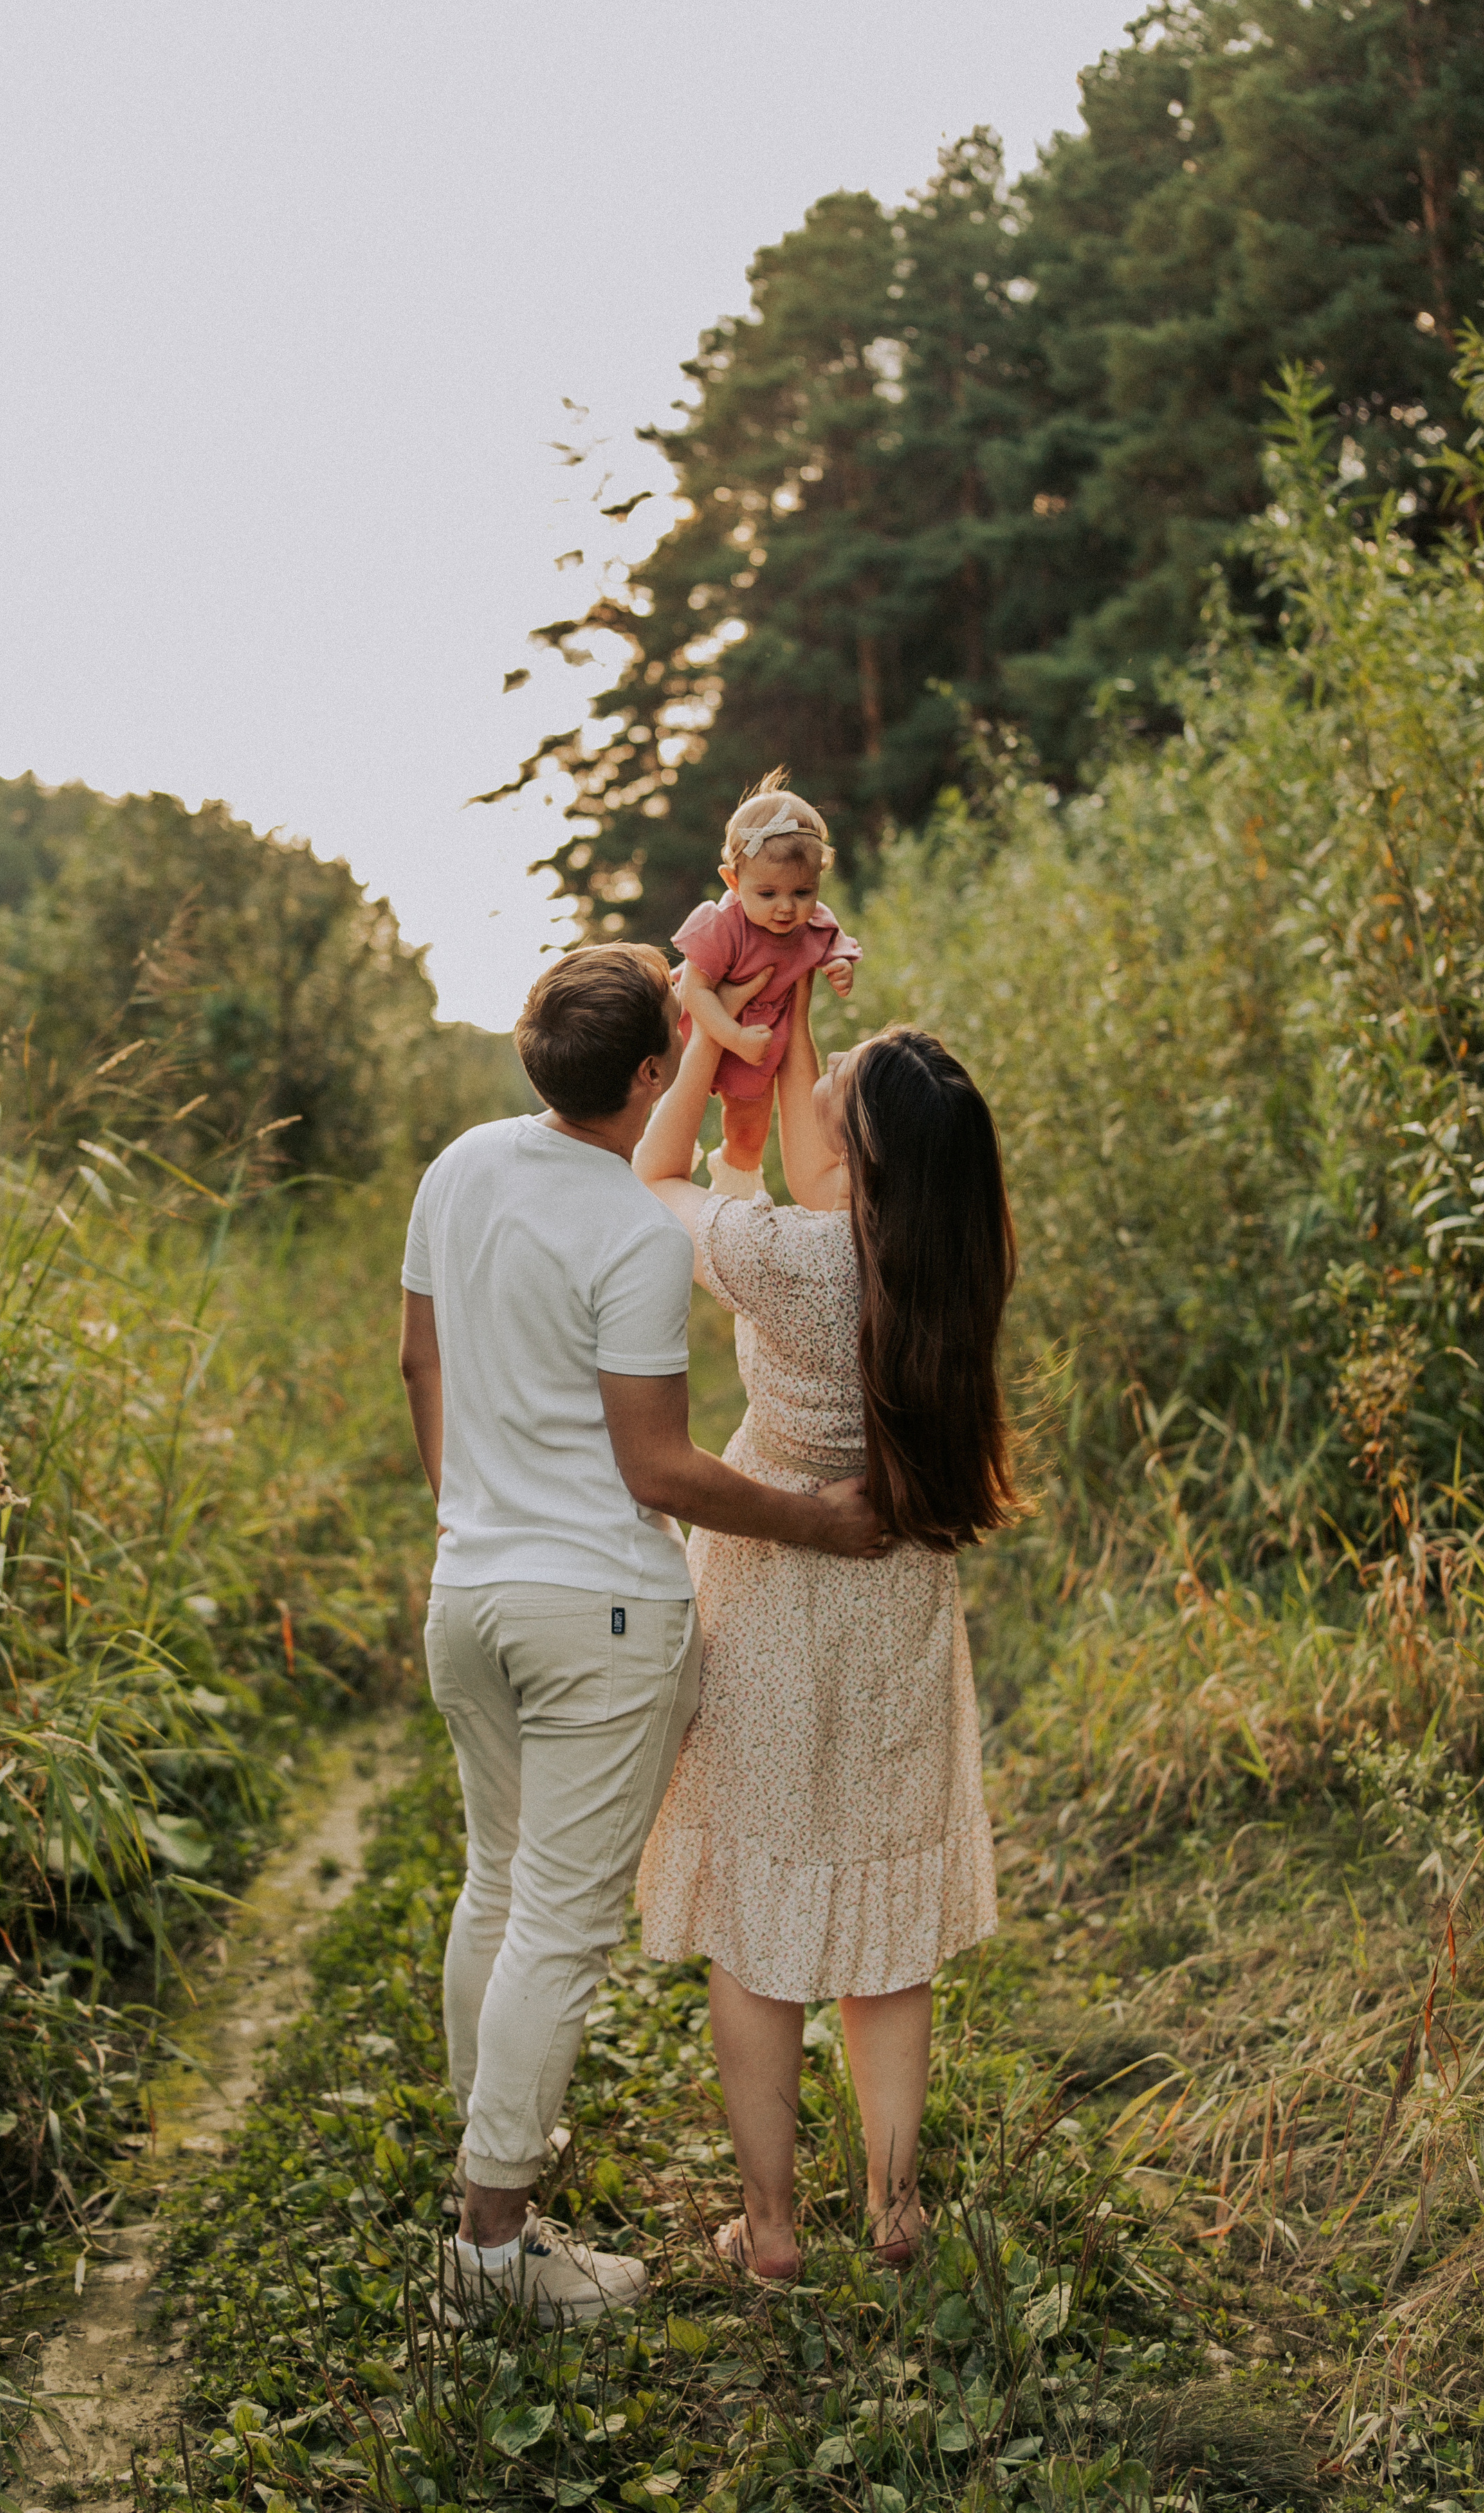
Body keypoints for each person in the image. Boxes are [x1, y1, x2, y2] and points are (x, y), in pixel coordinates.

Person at [398, 942, 884, 2327]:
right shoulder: (626, 1229)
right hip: (596, 1615)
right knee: (554, 1916)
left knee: (498, 1880)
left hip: (470, 1592)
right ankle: (492, 2252)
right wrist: (815, 1520)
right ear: (654, 1074)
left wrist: (472, 1515)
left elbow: (417, 1361)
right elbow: (659, 1470)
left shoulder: (458, 1170)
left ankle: (494, 2147)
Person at [633, 978, 1018, 2278]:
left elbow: (657, 1173)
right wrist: (794, 1017)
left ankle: (777, 2229)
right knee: (883, 1919)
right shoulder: (962, 1265)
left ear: (853, 1155)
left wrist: (710, 1041)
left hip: (770, 1587)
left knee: (759, 1920)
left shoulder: (784, 1259)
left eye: (835, 1096)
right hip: (898, 1590)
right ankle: (896, 2210)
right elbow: (801, 1144)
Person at [671, 769, 861, 1198]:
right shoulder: (721, 925)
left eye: (803, 891)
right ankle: (665, 1176)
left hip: (757, 1047)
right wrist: (732, 1036)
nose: (786, 908)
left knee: (748, 1130)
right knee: (674, 1111)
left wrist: (841, 969)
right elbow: (693, 992)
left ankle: (735, 1189)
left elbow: (834, 947)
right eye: (769, 894)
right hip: (695, 1032)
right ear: (734, 882)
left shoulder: (813, 923)